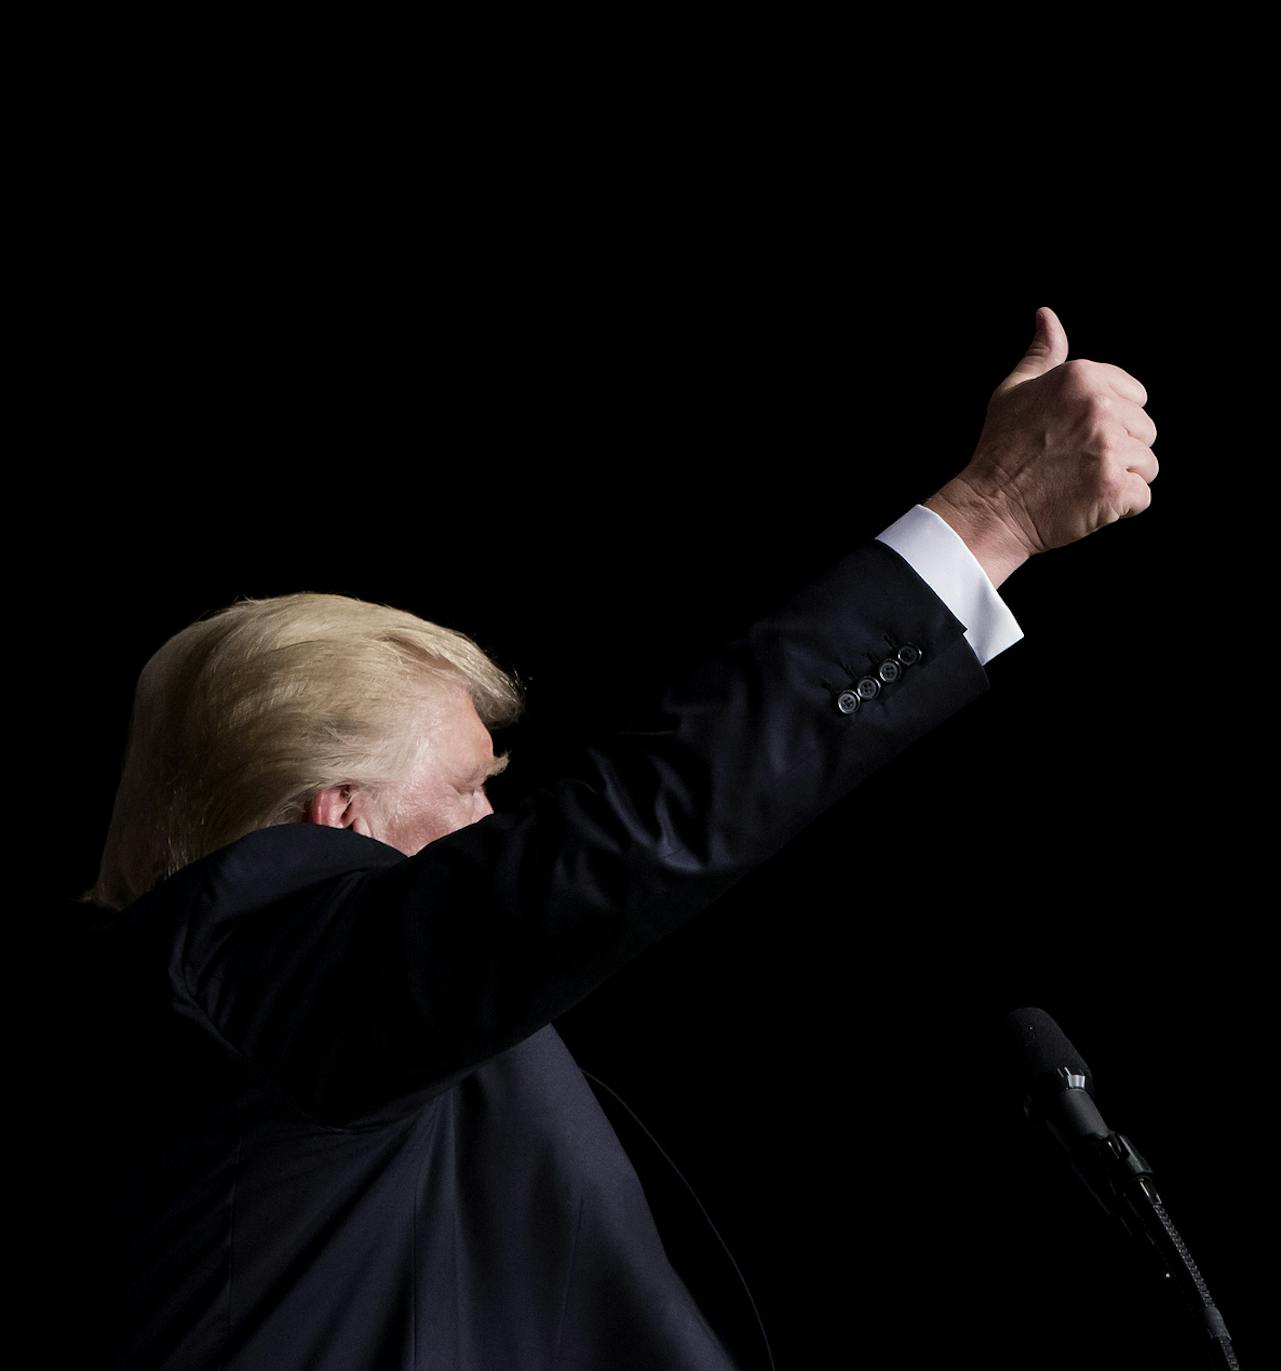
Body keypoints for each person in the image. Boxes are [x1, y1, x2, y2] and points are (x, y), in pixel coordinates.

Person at [68, 305, 1160, 1369]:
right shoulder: (249, 971)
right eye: (469, 789)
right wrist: (991, 516)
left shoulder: (273, 1062)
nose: (495, 826)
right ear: (338, 814)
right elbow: (621, 837)